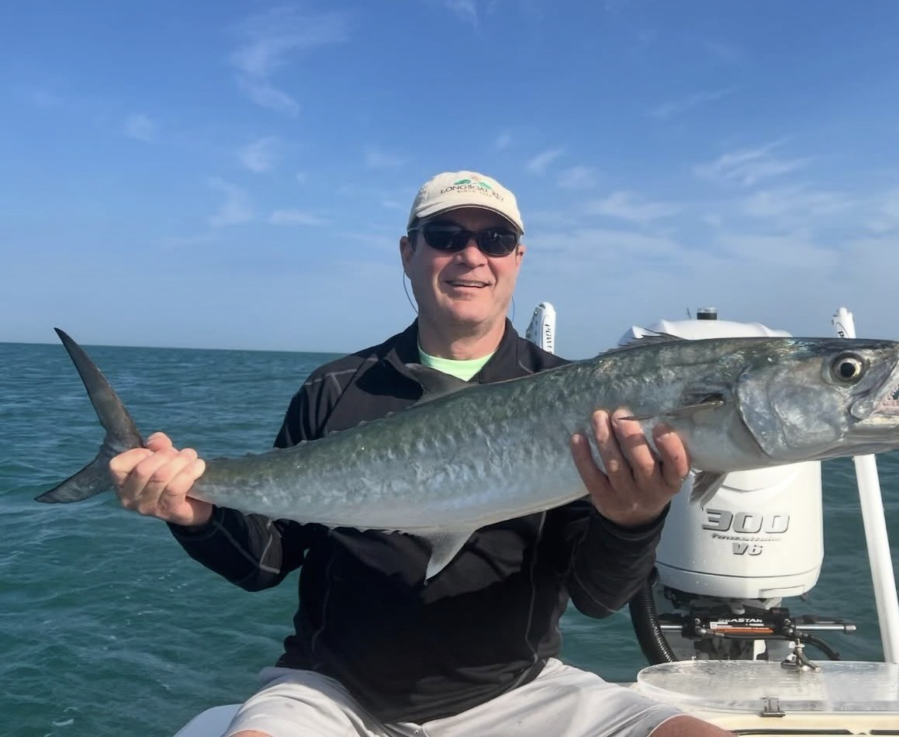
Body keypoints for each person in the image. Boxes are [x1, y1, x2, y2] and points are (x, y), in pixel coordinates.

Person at [110, 171, 733, 737]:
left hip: (520, 690)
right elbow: (266, 561)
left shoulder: (577, 398)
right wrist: (197, 513)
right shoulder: (335, 389)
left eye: (493, 239)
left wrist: (634, 519)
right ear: (409, 254)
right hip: (334, 693)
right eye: (444, 235)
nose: (470, 256)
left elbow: (598, 599)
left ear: (517, 260)